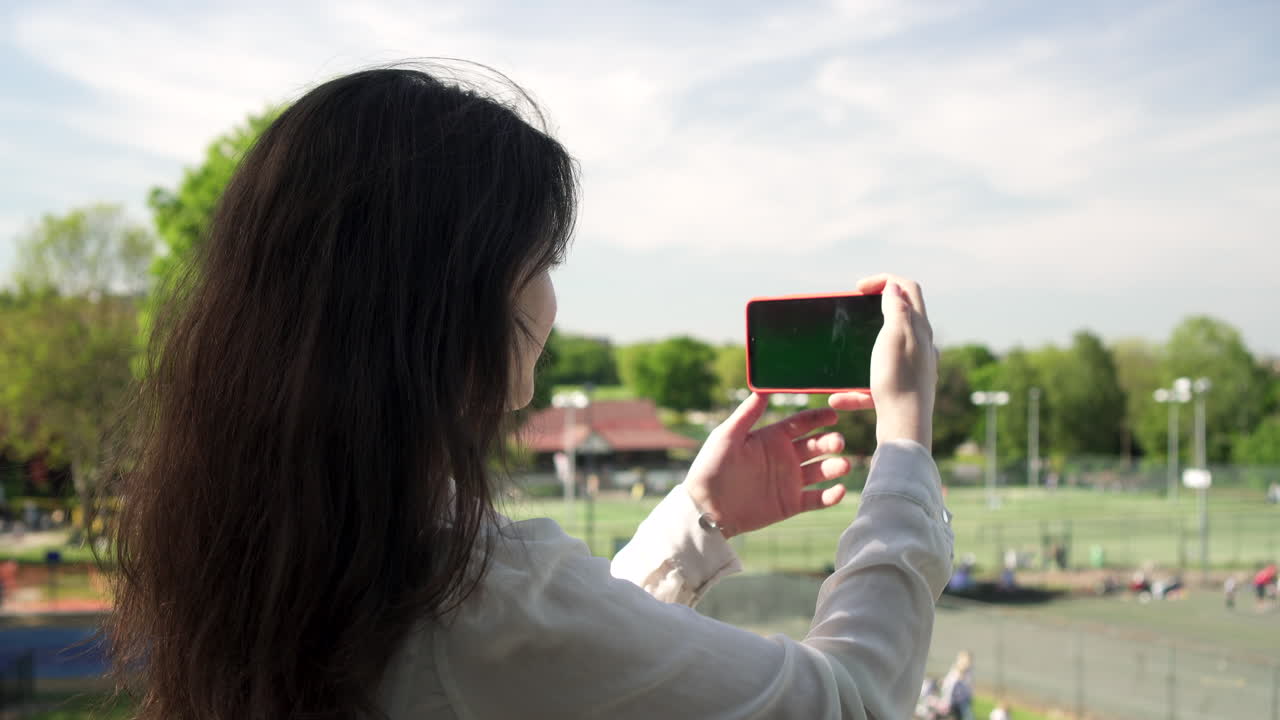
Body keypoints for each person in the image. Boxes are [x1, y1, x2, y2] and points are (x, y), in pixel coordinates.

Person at [104, 66, 951, 720]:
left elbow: (531, 666)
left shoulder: (277, 534)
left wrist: (696, 518)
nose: (551, 303)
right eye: (541, 265)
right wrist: (906, 446)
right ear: (452, 308)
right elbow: (851, 701)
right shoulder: (469, 593)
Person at [937, 650, 976, 720]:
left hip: (963, 700)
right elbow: (948, 687)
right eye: (967, 660)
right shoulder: (955, 673)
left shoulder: (968, 672)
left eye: (970, 660)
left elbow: (968, 687)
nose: (969, 663)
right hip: (953, 701)